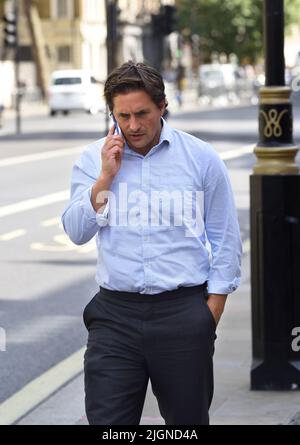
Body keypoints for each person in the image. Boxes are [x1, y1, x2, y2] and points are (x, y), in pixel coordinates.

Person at [61, 61, 242, 425]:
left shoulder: (200, 158)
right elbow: (77, 231)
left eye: (142, 113)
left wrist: (211, 312)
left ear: (162, 106)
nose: (132, 125)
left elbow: (226, 238)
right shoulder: (93, 160)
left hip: (182, 314)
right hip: (114, 316)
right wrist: (105, 179)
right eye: (122, 115)